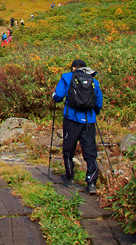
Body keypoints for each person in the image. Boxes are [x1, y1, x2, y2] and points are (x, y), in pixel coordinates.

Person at [52, 59, 103, 194]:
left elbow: (59, 96)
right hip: (89, 121)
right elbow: (98, 102)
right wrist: (94, 113)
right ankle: (91, 182)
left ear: (73, 68)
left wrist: (54, 97)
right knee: (90, 151)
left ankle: (70, 178)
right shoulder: (93, 81)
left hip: (71, 119)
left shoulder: (67, 77)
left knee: (69, 149)